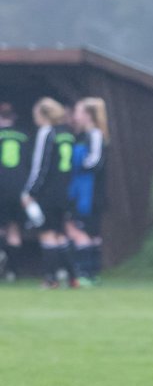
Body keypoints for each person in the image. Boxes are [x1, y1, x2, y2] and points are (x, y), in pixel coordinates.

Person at [21, 98, 77, 288]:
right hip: (65, 191)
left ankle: (50, 279)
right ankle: (73, 277)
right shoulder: (67, 134)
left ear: (44, 114)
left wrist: (29, 192)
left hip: (48, 192)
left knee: (46, 234)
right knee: (61, 234)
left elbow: (40, 167)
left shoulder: (47, 132)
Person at [64, 97, 108, 284]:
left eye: (78, 112)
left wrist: (75, 165)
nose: (75, 116)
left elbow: (94, 162)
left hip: (89, 194)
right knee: (88, 232)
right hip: (82, 192)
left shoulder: (95, 134)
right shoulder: (80, 135)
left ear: (88, 115)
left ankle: (86, 273)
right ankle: (88, 273)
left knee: (84, 231)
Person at [0, 103, 30, 282]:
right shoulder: (24, 136)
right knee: (14, 229)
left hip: (1, 187)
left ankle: (3, 261)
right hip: (20, 189)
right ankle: (13, 271)